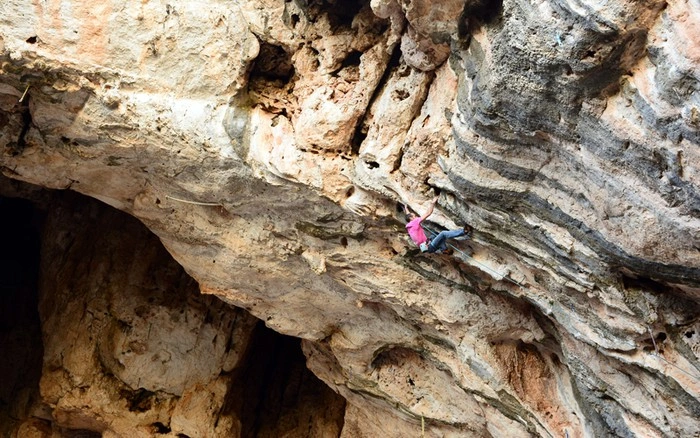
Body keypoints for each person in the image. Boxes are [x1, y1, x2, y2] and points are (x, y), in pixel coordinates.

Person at [405, 197, 472, 254]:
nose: (416, 216)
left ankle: (444, 249)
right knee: (443, 234)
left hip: (425, 247)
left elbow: (409, 216)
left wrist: (406, 208)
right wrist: (432, 203)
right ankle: (464, 231)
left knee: (435, 234)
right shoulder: (414, 222)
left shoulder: (409, 226)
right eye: (415, 216)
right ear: (412, 218)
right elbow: (428, 213)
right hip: (430, 246)